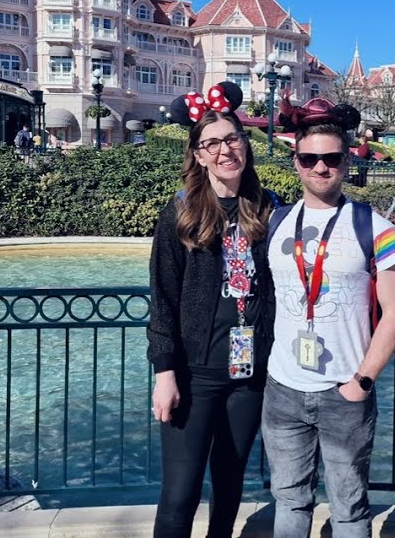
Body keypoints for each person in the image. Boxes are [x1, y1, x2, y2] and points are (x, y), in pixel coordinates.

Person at [262, 97, 395, 538]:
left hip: (345, 390)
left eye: (331, 158)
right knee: (289, 502)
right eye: (310, 158)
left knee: (348, 508)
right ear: (296, 162)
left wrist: (362, 381)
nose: (320, 167)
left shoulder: (376, 228)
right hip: (283, 388)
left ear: (347, 161)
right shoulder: (276, 222)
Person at [147, 82, 277, 538]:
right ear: (198, 155)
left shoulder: (267, 209)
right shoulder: (180, 213)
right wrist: (165, 373)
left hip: (249, 373)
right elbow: (162, 298)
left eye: (233, 139)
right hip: (194, 372)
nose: (226, 150)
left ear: (246, 145)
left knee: (229, 485)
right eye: (213, 144)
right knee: (179, 496)